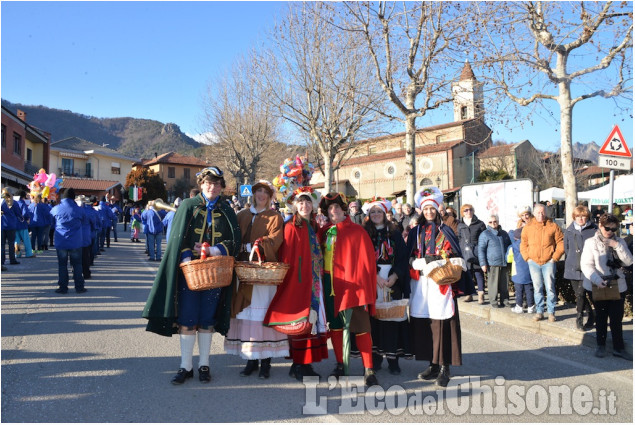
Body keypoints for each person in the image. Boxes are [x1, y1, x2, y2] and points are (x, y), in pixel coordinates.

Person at [143, 165, 241, 385]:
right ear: (201, 184)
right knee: (187, 319)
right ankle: (185, 366)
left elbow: (234, 240)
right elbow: (178, 237)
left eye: (216, 184)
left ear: (221, 187)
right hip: (190, 273)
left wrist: (216, 250)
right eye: (208, 183)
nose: (212, 187)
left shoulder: (227, 210)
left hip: (215, 273)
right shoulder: (188, 206)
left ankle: (204, 365)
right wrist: (187, 254)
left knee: (207, 320)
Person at [264, 187, 329, 381]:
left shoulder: (314, 226)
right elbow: (289, 258)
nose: (305, 205)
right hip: (300, 281)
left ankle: (304, 364)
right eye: (301, 202)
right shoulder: (291, 226)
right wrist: (296, 280)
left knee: (311, 322)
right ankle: (299, 364)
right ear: (295, 205)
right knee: (301, 322)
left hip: (314, 280)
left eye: (308, 202)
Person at [224, 180, 286, 379]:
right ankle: (251, 360)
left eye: (265, 192)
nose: (261, 195)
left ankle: (266, 362)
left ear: (270, 196)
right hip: (243, 272)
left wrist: (259, 245)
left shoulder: (275, 217)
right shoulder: (241, 214)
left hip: (262, 273)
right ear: (253, 194)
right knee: (246, 315)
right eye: (258, 191)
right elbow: (232, 237)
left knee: (261, 316)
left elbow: (277, 239)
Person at [407, 187, 467, 388]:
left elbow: (454, 254)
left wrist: (438, 260)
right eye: (426, 210)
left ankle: (444, 367)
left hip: (441, 283)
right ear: (421, 211)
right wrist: (415, 262)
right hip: (422, 284)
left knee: (443, 324)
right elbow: (409, 255)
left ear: (437, 209)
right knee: (427, 324)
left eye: (432, 209)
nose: (429, 212)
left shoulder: (446, 230)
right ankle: (432, 363)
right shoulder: (415, 231)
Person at [318, 192, 378, 387]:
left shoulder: (357, 231)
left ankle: (368, 368)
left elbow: (367, 262)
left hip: (353, 287)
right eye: (329, 209)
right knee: (335, 327)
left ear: (344, 210)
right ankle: (341, 365)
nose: (333, 211)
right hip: (331, 285)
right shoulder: (325, 231)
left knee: (361, 328)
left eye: (336, 207)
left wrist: (364, 288)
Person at [361, 198, 411, 375]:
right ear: (368, 215)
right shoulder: (364, 233)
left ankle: (393, 360)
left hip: (392, 280)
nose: (375, 215)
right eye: (372, 212)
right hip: (371, 279)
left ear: (384, 214)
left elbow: (403, 257)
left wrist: (395, 276)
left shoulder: (395, 233)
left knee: (392, 318)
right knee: (374, 320)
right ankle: (375, 359)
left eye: (379, 212)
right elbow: (361, 258)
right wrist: (374, 276)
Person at [581, 214, 633, 360]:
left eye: (614, 228)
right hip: (599, 284)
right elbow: (586, 265)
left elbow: (629, 261)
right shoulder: (591, 242)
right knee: (601, 317)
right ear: (600, 226)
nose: (610, 231)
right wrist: (597, 280)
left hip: (617, 284)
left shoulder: (620, 241)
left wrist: (617, 246)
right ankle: (601, 345)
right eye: (607, 228)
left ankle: (618, 348)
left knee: (616, 319)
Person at [520, 203, 564, 322]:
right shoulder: (528, 227)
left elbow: (561, 243)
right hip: (533, 262)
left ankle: (551, 312)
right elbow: (523, 244)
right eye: (538, 212)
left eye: (543, 212)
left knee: (550, 288)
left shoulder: (553, 226)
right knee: (537, 288)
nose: (541, 214)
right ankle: (539, 312)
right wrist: (527, 258)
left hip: (548, 262)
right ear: (534, 213)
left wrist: (555, 258)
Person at [564, 205, 597, 330]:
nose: (581, 219)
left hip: (587, 267)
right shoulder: (569, 230)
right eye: (578, 216)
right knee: (579, 295)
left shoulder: (593, 230)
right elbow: (567, 249)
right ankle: (591, 315)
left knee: (582, 293)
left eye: (583, 216)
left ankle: (579, 318)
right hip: (572, 267)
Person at [51, 188, 87, 294]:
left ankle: (63, 287)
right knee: (77, 264)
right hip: (75, 241)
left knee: (62, 265)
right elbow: (84, 222)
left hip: (61, 240)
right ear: (73, 197)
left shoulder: (56, 209)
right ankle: (79, 287)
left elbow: (52, 223)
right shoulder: (80, 210)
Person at [478, 214, 512, 308]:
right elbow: (481, 249)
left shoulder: (504, 233)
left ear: (498, 221)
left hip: (504, 262)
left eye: (495, 221)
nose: (493, 223)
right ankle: (493, 301)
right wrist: (483, 263)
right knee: (493, 284)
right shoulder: (485, 234)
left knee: (504, 284)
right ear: (487, 223)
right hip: (492, 263)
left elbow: (509, 246)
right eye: (490, 222)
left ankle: (505, 300)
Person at [456, 204, 486, 303]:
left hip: (476, 251)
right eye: (466, 210)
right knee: (467, 273)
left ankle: (481, 294)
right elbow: (459, 238)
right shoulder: (460, 225)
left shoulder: (480, 223)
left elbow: (484, 237)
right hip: (465, 252)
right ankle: (469, 294)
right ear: (462, 212)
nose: (468, 212)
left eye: (470, 210)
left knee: (478, 273)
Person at [508, 225, 536, 314]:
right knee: (529, 290)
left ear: (515, 238)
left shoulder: (512, 247)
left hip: (517, 272)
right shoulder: (530, 245)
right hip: (529, 271)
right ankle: (531, 306)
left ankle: (519, 306)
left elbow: (508, 258)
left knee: (519, 290)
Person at [2, 188, 22, 267]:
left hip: (2, 225)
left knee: (2, 245)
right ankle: (12, 260)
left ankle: (2, 261)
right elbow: (19, 214)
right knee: (11, 244)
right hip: (11, 225)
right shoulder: (15, 203)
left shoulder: (1, 203)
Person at [14, 191, 34, 259]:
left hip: (14, 224)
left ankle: (17, 254)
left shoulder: (13, 203)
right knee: (26, 240)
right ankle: (29, 253)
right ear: (23, 196)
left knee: (16, 240)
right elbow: (25, 214)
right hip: (22, 224)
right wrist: (27, 218)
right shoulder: (22, 203)